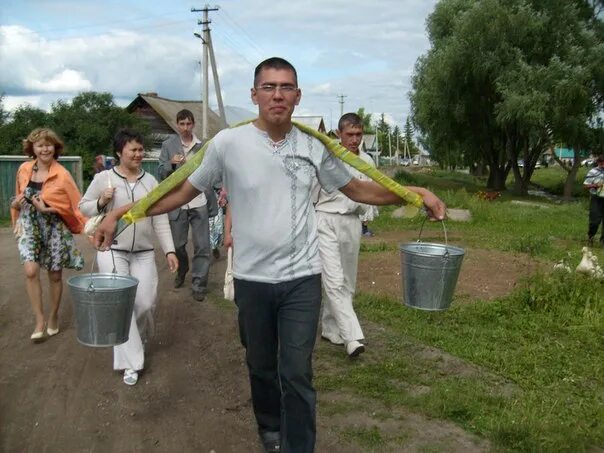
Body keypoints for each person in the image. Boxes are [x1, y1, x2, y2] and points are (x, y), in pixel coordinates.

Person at [95, 57, 446, 452]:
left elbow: (359, 190)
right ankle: (269, 427)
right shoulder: (228, 144)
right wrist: (123, 212)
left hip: (302, 278)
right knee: (261, 366)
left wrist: (416, 194)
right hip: (252, 279)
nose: (277, 94)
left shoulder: (314, 145)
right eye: (268, 87)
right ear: (254, 94)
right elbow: (181, 190)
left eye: (286, 87)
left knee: (296, 372)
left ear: (297, 96)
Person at [80, 129, 178, 386]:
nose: (138, 154)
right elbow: (83, 207)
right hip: (112, 250)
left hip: (144, 252)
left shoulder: (152, 182)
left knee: (145, 303)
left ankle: (137, 341)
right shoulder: (104, 178)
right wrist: (102, 200)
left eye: (140, 149)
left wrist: (169, 250)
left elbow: (160, 218)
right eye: (132, 150)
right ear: (118, 152)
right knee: (121, 306)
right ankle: (132, 363)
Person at [10, 128, 85, 341]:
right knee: (31, 270)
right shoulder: (24, 169)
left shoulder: (63, 174)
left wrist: (50, 209)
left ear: (55, 147)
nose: (44, 149)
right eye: (40, 145)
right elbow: (17, 196)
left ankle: (53, 316)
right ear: (32, 148)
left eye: (48, 144)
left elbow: (75, 205)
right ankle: (39, 319)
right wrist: (15, 205)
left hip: (53, 226)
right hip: (29, 224)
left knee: (55, 275)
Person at [314, 112, 377, 357]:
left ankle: (331, 328)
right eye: (349, 134)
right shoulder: (328, 159)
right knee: (333, 278)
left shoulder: (368, 162)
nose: (354, 139)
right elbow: (313, 192)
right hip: (325, 219)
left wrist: (366, 218)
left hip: (351, 222)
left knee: (348, 280)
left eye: (358, 134)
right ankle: (352, 336)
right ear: (338, 134)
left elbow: (373, 191)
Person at [158, 109, 218, 301]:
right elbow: (160, 171)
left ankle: (199, 284)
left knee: (202, 246)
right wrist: (171, 164)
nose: (185, 128)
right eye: (181, 124)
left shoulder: (203, 146)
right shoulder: (169, 145)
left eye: (188, 124)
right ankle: (182, 269)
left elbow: (212, 170)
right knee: (178, 245)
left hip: (199, 200)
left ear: (193, 125)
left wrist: (221, 190)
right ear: (177, 125)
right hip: (177, 202)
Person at [583, 154, 604, 247]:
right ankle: (591, 236)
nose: (603, 166)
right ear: (598, 163)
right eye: (602, 164)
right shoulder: (593, 171)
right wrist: (596, 185)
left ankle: (603, 241)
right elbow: (586, 185)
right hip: (596, 198)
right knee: (595, 220)